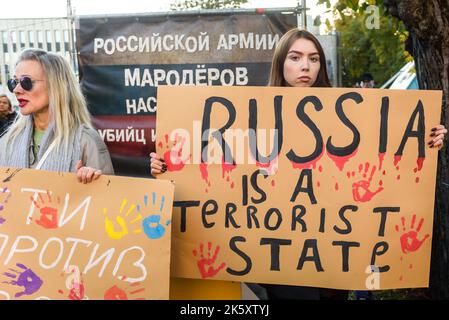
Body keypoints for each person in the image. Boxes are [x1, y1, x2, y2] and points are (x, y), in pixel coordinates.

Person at [150, 28, 447, 299]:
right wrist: (168, 167)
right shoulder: (251, 115)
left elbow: (390, 150)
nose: (305, 66)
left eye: (314, 58)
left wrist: (426, 140)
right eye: (296, 57)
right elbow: (214, 170)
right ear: (281, 63)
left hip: (335, 249)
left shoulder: (351, 115)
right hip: (281, 254)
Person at [0, 49, 114, 183]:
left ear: (55, 85)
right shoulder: (8, 142)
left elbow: (107, 198)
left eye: (26, 82)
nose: (16, 90)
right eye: (14, 82)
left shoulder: (85, 141)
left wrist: (91, 182)